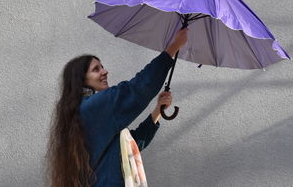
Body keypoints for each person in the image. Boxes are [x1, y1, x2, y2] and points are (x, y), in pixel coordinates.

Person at [45, 28, 188, 187]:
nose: (105, 72)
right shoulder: (93, 106)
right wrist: (173, 48)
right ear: (81, 80)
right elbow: (138, 88)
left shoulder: (85, 110)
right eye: (96, 69)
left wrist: (157, 111)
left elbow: (131, 145)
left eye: (102, 67)